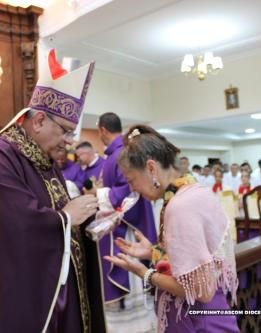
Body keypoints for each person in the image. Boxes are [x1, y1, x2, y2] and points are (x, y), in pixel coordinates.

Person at [0, 50, 107, 333]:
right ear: (40, 120)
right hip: (10, 303)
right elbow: (15, 226)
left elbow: (58, 217)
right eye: (66, 131)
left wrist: (87, 221)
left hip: (57, 298)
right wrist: (65, 219)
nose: (69, 142)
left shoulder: (45, 159)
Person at [105, 125, 239, 333]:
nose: (131, 189)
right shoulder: (193, 189)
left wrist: (144, 273)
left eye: (131, 180)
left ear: (151, 168)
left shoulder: (180, 205)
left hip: (196, 322)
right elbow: (197, 256)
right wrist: (152, 251)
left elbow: (200, 290)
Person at [92, 112, 157, 332]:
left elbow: (130, 192)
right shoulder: (116, 153)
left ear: (102, 130)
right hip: (120, 229)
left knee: (129, 284)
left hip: (126, 232)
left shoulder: (121, 154)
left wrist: (100, 195)